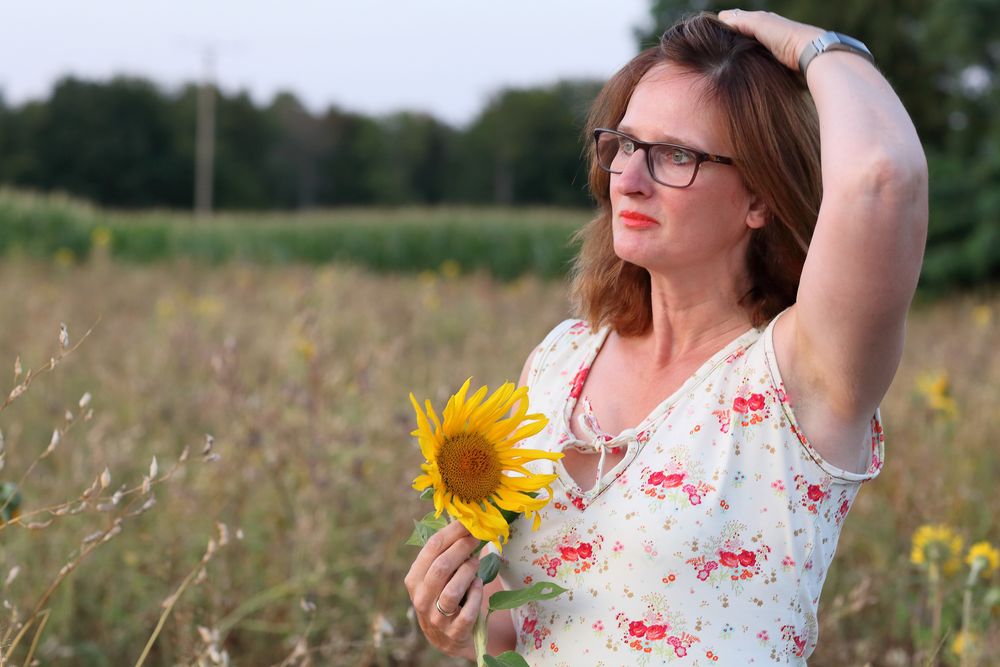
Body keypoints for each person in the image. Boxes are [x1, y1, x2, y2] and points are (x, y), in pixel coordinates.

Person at [405, 9, 926, 664]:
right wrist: (460, 620)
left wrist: (812, 46)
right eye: (624, 143)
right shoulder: (559, 360)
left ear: (759, 198)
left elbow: (882, 177)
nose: (629, 176)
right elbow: (537, 618)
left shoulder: (802, 372)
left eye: (675, 154)